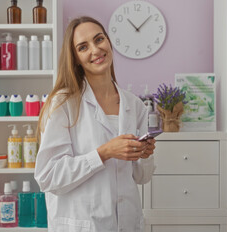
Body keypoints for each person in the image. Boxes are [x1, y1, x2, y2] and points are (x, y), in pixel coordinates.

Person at [34, 16, 156, 231]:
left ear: (108, 42)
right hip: (83, 224)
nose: (95, 50)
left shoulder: (134, 104)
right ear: (75, 59)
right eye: (83, 47)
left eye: (99, 39)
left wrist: (145, 155)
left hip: (127, 223)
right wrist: (104, 153)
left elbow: (141, 177)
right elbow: (48, 177)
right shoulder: (63, 103)